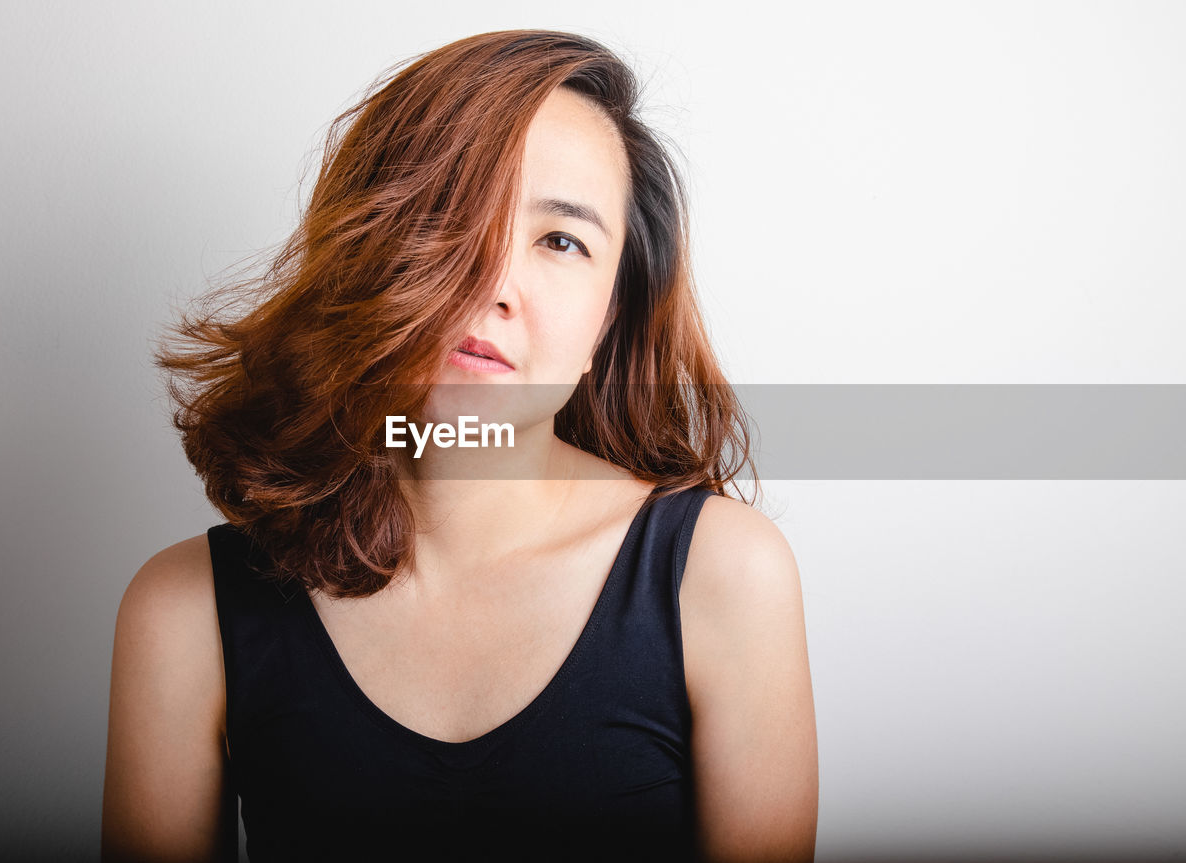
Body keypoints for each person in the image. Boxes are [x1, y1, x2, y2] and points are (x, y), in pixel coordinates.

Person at [102, 29, 817, 863]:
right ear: (366, 246)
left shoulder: (723, 575)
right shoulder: (184, 610)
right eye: (454, 215)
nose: (493, 283)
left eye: (562, 241)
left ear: (606, 323)